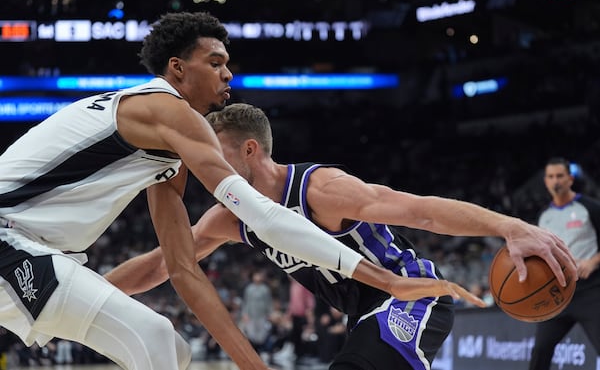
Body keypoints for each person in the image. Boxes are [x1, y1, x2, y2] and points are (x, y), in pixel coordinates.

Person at [0, 11, 485, 370]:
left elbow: (184, 272)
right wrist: (389, 282)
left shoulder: (166, 157)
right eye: (216, 62)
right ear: (177, 69)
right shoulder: (166, 109)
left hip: (32, 246)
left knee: (169, 348)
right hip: (8, 237)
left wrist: (253, 365)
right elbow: (263, 214)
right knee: (151, 339)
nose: (228, 74)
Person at [105, 103, 578, 370]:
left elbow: (423, 212)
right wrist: (75, 289)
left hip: (413, 298)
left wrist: (510, 226)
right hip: (362, 316)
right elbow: (162, 264)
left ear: (250, 150)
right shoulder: (229, 218)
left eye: (214, 154)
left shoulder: (321, 189)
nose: (204, 168)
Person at [528, 157, 600, 370]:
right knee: (540, 350)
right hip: (557, 294)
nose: (555, 180)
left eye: (560, 175)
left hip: (591, 291)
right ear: (545, 181)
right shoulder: (543, 216)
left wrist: (593, 262)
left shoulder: (590, 207)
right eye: (551, 176)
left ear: (570, 179)